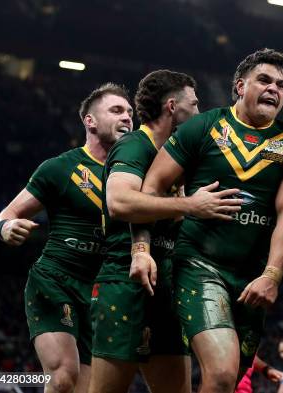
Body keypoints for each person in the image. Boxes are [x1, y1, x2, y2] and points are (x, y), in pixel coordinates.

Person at [135, 48, 283, 393]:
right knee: (220, 373)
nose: (274, 89)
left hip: (252, 279)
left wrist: (273, 276)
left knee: (228, 382)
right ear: (239, 86)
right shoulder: (203, 126)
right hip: (199, 265)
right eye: (264, 80)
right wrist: (187, 207)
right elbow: (151, 189)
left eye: (281, 84)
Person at [0, 83, 133, 393]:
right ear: (90, 121)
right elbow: (8, 214)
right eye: (116, 110)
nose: (126, 117)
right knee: (62, 378)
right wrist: (6, 228)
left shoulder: (136, 175)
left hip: (102, 293)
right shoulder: (59, 168)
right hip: (56, 281)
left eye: (129, 112)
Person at [88, 70, 210, 393]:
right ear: (172, 106)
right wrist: (190, 206)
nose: (199, 113)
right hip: (124, 281)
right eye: (194, 104)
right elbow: (120, 202)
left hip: (167, 282)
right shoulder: (134, 145)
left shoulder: (174, 157)